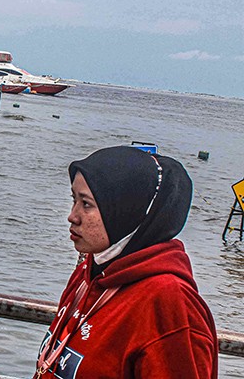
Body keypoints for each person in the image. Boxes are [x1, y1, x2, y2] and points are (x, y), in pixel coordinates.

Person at [35, 146, 218, 378]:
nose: (72, 216)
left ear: (125, 210)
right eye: (74, 200)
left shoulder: (169, 303)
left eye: (87, 204)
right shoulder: (89, 273)